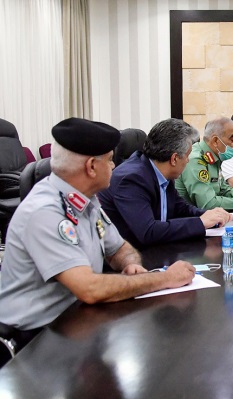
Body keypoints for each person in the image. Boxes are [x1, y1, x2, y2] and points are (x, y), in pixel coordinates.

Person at [0, 118, 196, 355]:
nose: (115, 166)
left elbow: (119, 248)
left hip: (76, 321)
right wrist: (165, 279)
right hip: (33, 340)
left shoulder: (87, 200)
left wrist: (131, 264)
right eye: (110, 160)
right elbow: (89, 288)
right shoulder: (46, 212)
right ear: (91, 166)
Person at [98, 118, 232, 248]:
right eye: (187, 156)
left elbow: (180, 208)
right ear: (174, 159)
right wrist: (200, 223)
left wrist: (210, 215)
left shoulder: (161, 172)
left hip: (157, 250)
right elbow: (148, 232)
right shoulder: (132, 179)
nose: (188, 161)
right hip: (130, 261)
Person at [175, 117, 233, 210]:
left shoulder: (214, 157)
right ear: (215, 141)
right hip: (188, 219)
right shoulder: (196, 159)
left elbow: (223, 189)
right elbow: (208, 204)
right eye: (232, 139)